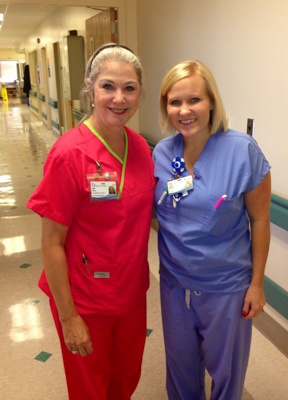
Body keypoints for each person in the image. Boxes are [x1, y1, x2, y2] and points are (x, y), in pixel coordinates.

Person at [27, 43, 156, 400]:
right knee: (89, 389)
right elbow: (51, 242)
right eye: (108, 86)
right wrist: (69, 319)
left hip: (131, 292)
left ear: (139, 93)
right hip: (83, 298)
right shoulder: (69, 154)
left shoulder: (141, 148)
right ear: (90, 88)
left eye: (129, 88)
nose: (119, 98)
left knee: (126, 378)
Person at [153, 60, 271, 400]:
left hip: (226, 287)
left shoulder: (243, 151)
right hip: (175, 284)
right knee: (180, 366)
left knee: (226, 370)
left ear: (212, 103)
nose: (184, 110)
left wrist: (257, 284)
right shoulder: (162, 152)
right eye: (175, 102)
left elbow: (260, 220)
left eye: (194, 100)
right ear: (166, 107)